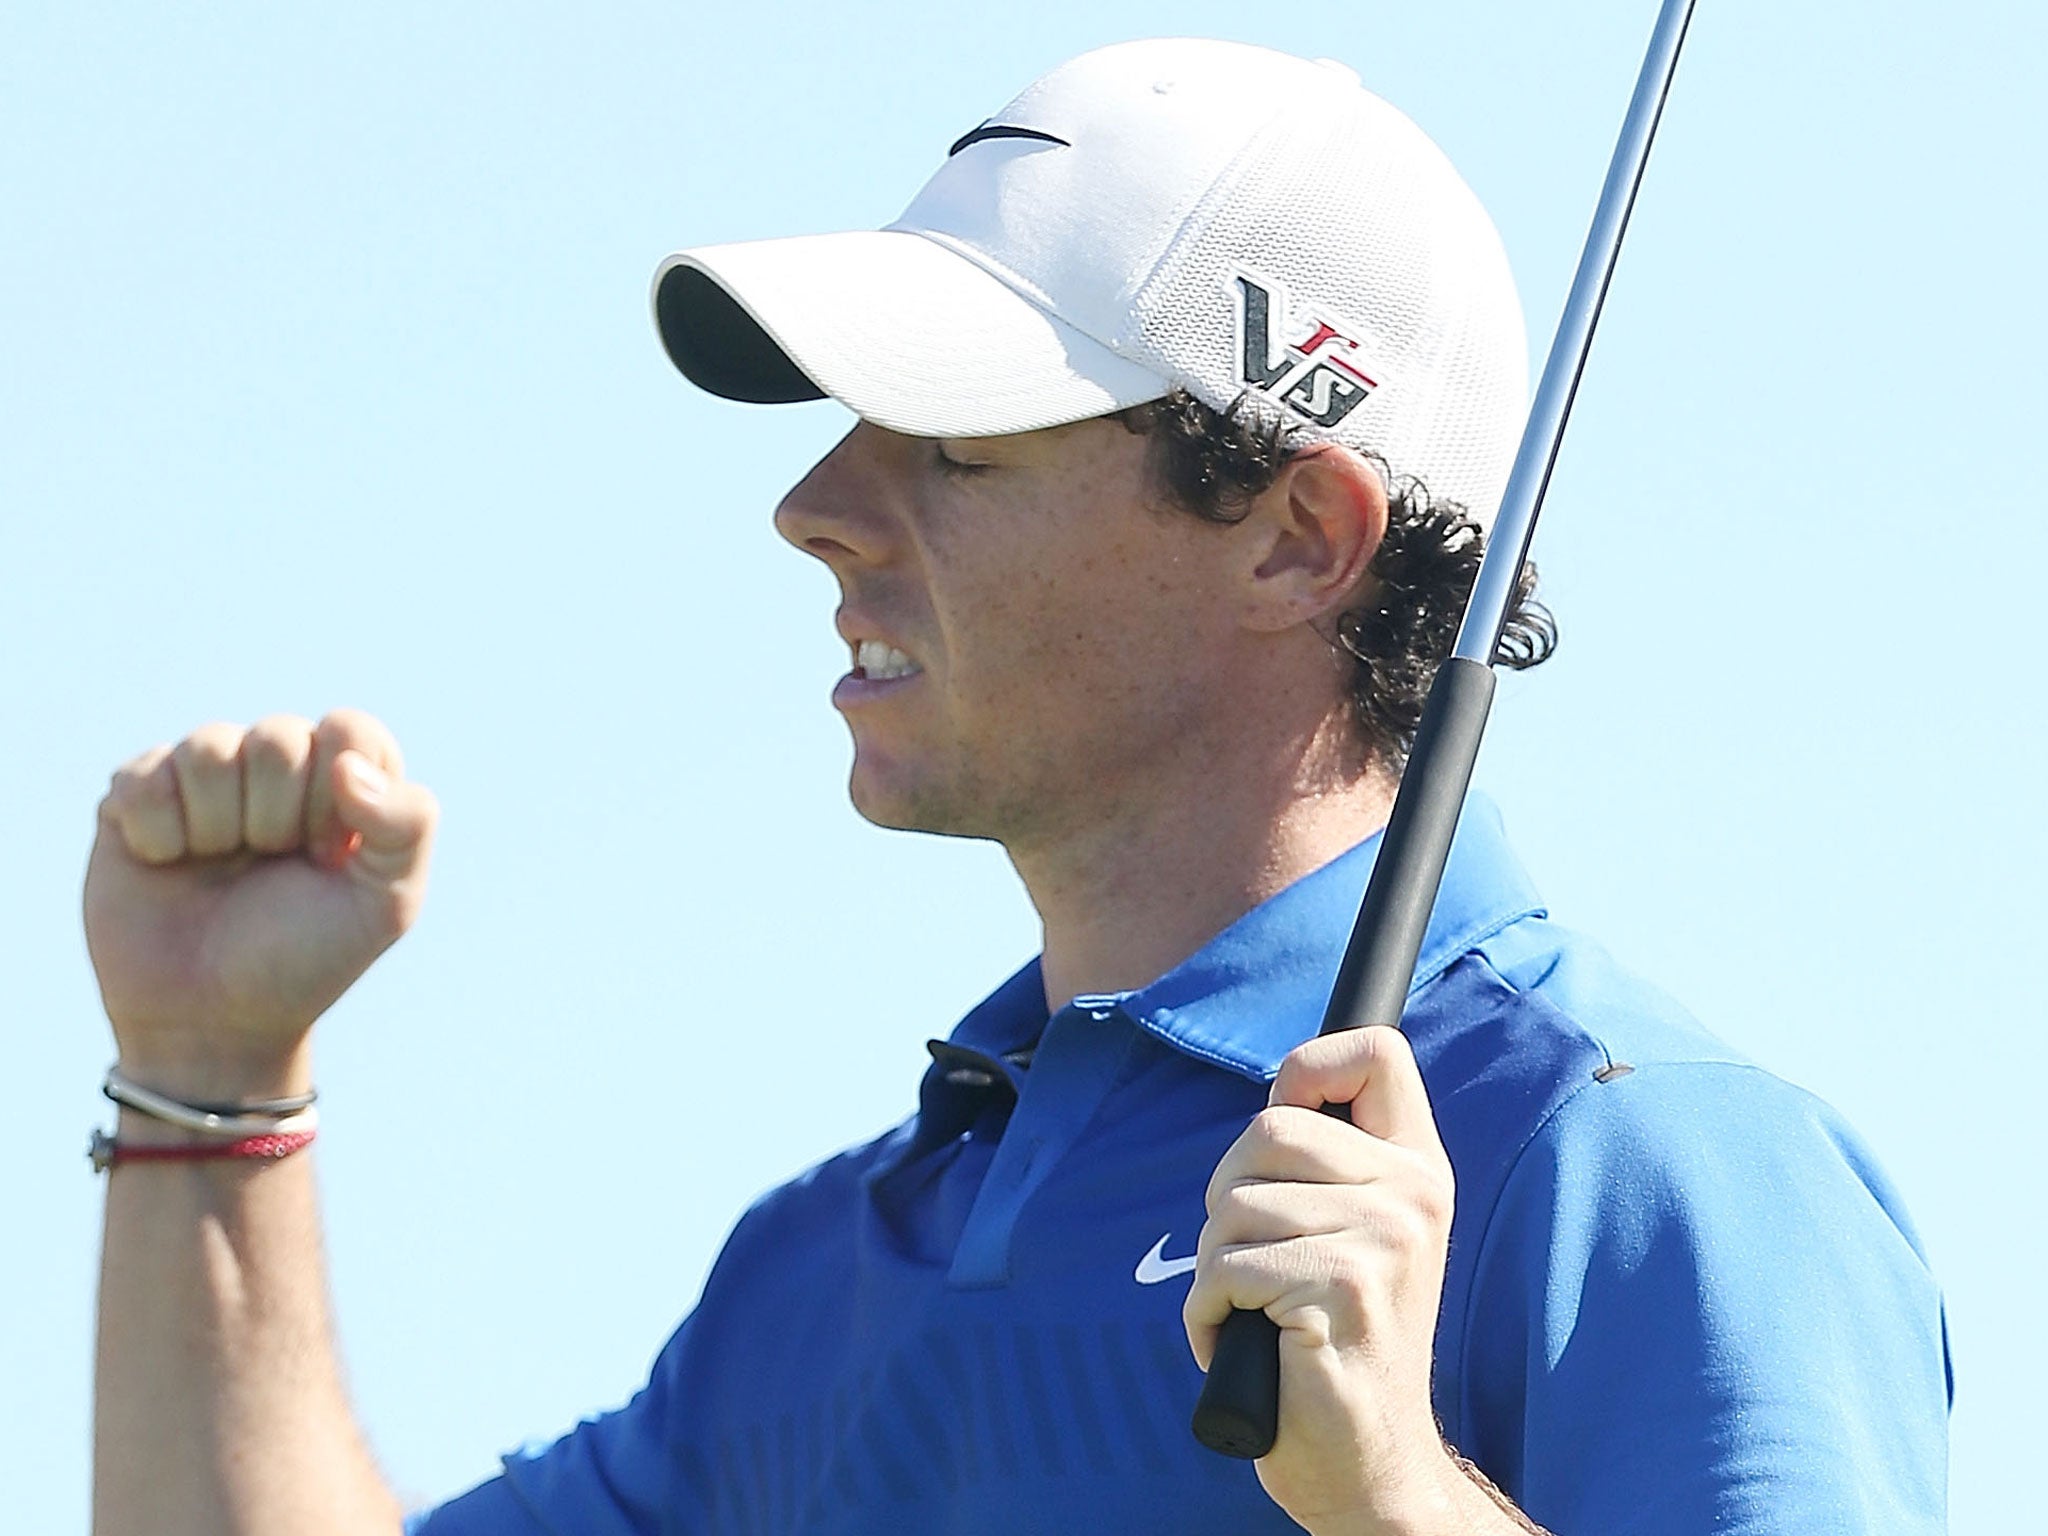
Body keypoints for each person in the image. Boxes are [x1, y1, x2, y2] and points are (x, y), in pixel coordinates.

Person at [84, 38, 1949, 1536]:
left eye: (961, 446)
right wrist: (208, 1086)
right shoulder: (822, 1271)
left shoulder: (1643, 1163)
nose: (815, 508)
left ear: (1302, 536)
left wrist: (1393, 1507)